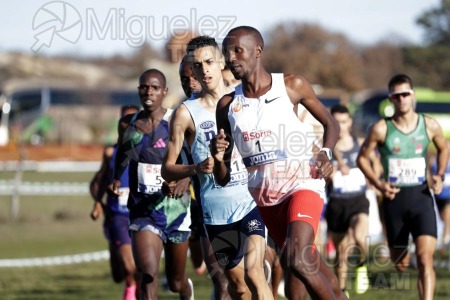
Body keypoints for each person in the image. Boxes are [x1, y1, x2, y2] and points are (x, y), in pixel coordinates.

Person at [212, 25, 345, 299]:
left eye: (238, 50)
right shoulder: (227, 105)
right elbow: (222, 176)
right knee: (307, 262)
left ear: (258, 50)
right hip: (266, 199)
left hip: (303, 183)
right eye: (227, 52)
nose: (231, 58)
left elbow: (330, 123)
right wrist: (219, 157)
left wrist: (327, 153)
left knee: (297, 260)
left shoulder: (291, 85)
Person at [161, 35, 273, 299]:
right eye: (197, 65)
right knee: (237, 287)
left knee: (254, 273)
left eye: (209, 62)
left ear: (221, 61)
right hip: (215, 212)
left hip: (250, 201)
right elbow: (167, 169)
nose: (204, 70)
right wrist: (196, 168)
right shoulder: (185, 114)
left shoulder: (243, 100)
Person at [357, 74, 449, 300]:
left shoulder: (429, 125)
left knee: (426, 259)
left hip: (421, 196)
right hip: (394, 199)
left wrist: (438, 175)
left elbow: (443, 148)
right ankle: (403, 259)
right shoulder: (381, 128)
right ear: (391, 99)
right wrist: (379, 184)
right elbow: (362, 158)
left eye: (406, 94)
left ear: (413, 95)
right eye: (396, 96)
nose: (402, 100)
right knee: (400, 263)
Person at [109, 69, 193, 300]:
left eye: (155, 87)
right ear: (138, 90)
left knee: (175, 282)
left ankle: (187, 290)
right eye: (144, 87)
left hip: (175, 209)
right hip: (143, 210)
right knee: (147, 276)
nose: (149, 92)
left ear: (164, 91)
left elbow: (191, 159)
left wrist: (183, 180)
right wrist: (116, 178)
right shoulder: (128, 124)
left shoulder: (178, 120)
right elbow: (122, 154)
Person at [90, 104, 140, 300]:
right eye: (124, 121)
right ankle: (130, 285)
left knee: (133, 269)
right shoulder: (111, 152)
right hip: (117, 215)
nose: (128, 125)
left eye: (132, 120)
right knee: (120, 274)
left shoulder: (147, 149)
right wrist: (96, 201)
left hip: (140, 214)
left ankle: (132, 292)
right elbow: (100, 180)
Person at [326, 104, 372, 296]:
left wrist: (371, 176)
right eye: (336, 122)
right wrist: (330, 172)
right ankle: (342, 291)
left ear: (350, 122)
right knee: (341, 253)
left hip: (358, 200)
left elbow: (374, 166)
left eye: (344, 122)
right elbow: (318, 175)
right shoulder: (325, 147)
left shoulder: (359, 143)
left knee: (360, 236)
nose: (341, 126)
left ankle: (362, 264)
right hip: (337, 203)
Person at [179, 55, 208, 276]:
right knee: (201, 265)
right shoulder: (182, 112)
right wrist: (181, 175)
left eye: (193, 77)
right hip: (196, 198)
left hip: (231, 196)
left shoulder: (224, 103)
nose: (190, 84)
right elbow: (174, 157)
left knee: (226, 275)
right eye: (184, 79)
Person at [431, 140, 450, 252]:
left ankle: (445, 238)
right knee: (442, 216)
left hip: (448, 194)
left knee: (448, 213)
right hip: (438, 194)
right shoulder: (434, 160)